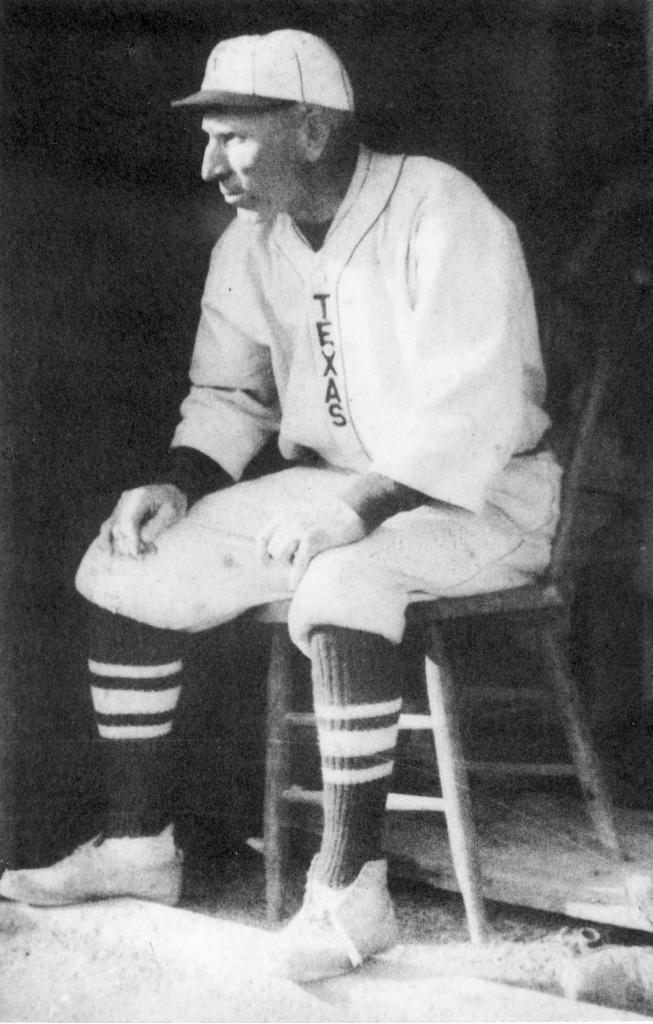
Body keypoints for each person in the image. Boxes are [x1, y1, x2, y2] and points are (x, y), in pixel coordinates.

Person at [0, 30, 560, 980]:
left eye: (234, 138)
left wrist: (358, 511)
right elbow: (231, 398)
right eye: (209, 139)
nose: (210, 163)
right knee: (124, 560)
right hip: (336, 482)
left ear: (310, 130)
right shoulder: (251, 241)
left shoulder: (440, 207)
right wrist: (175, 483)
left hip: (484, 495)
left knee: (344, 576)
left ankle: (350, 888)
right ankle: (140, 848)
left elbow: (480, 407)